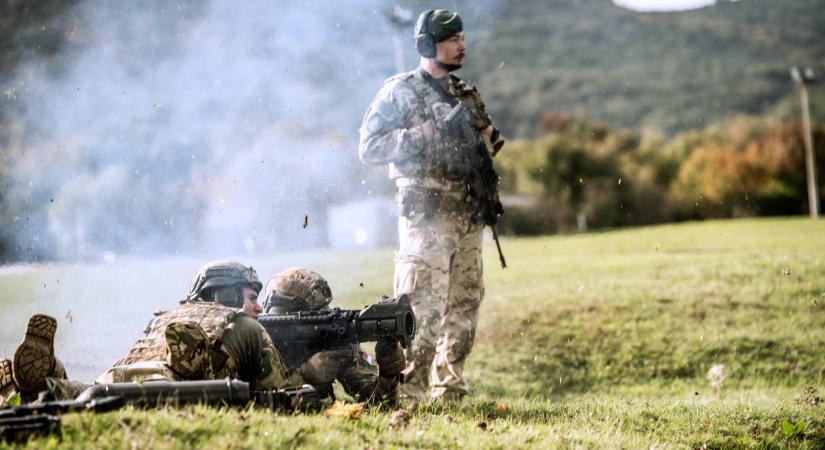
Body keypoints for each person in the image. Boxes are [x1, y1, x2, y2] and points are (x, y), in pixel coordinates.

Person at [357, 9, 505, 401]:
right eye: (452, 39)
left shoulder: (466, 95)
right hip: (427, 215)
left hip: (468, 216)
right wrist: (417, 136)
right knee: (423, 306)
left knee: (465, 303)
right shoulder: (399, 92)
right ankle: (409, 390)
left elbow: (488, 146)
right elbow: (369, 148)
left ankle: (450, 386)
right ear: (428, 45)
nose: (462, 45)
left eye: (462, 37)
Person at [0, 261, 289, 404]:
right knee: (122, 400)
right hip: (171, 391)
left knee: (87, 392)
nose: (259, 307)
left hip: (120, 377)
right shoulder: (247, 326)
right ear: (227, 294)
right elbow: (277, 396)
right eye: (252, 298)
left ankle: (48, 376)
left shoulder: (162, 318)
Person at [261, 268, 405, 406]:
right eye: (313, 314)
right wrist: (307, 374)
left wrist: (388, 375)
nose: (323, 318)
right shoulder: (260, 343)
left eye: (323, 310)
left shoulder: (333, 338)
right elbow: (258, 399)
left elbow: (379, 403)